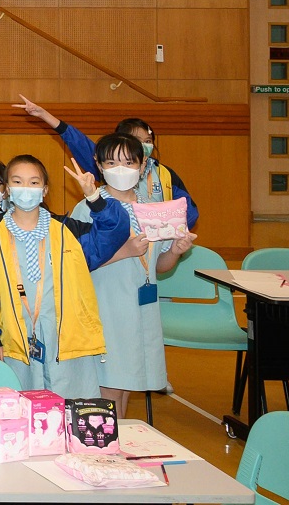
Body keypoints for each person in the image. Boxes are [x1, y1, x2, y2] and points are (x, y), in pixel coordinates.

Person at [0, 155, 130, 399]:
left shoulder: (69, 230)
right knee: (20, 407)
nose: (26, 188)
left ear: (44, 190)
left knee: (71, 408)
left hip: (66, 340)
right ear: (7, 189)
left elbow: (115, 231)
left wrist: (94, 198)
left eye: (34, 182)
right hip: (15, 340)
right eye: (17, 182)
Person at [72, 133, 197, 417]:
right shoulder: (88, 207)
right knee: (110, 383)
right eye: (112, 163)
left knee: (127, 381)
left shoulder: (154, 210)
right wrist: (123, 252)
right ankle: (109, 438)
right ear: (99, 166)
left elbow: (160, 266)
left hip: (141, 308)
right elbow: (75, 263)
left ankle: (118, 435)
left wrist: (176, 250)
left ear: (142, 166)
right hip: (105, 305)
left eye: (129, 163)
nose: (121, 169)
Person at [15, 98, 201, 230]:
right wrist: (45, 116)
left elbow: (188, 210)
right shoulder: (92, 204)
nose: (143, 145)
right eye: (136, 140)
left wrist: (172, 231)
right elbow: (78, 141)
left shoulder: (166, 174)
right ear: (100, 164)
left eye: (148, 141)